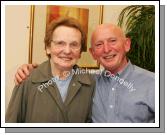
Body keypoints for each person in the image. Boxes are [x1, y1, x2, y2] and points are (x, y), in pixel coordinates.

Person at [13, 23, 155, 123]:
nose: (106, 49)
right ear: (93, 53)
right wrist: (30, 70)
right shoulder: (92, 80)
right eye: (99, 44)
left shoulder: (155, 83)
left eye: (112, 41)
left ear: (127, 45)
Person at [6, 17, 95, 123]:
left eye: (74, 44)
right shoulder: (26, 79)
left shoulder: (90, 84)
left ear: (80, 51)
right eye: (60, 43)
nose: (67, 51)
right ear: (48, 47)